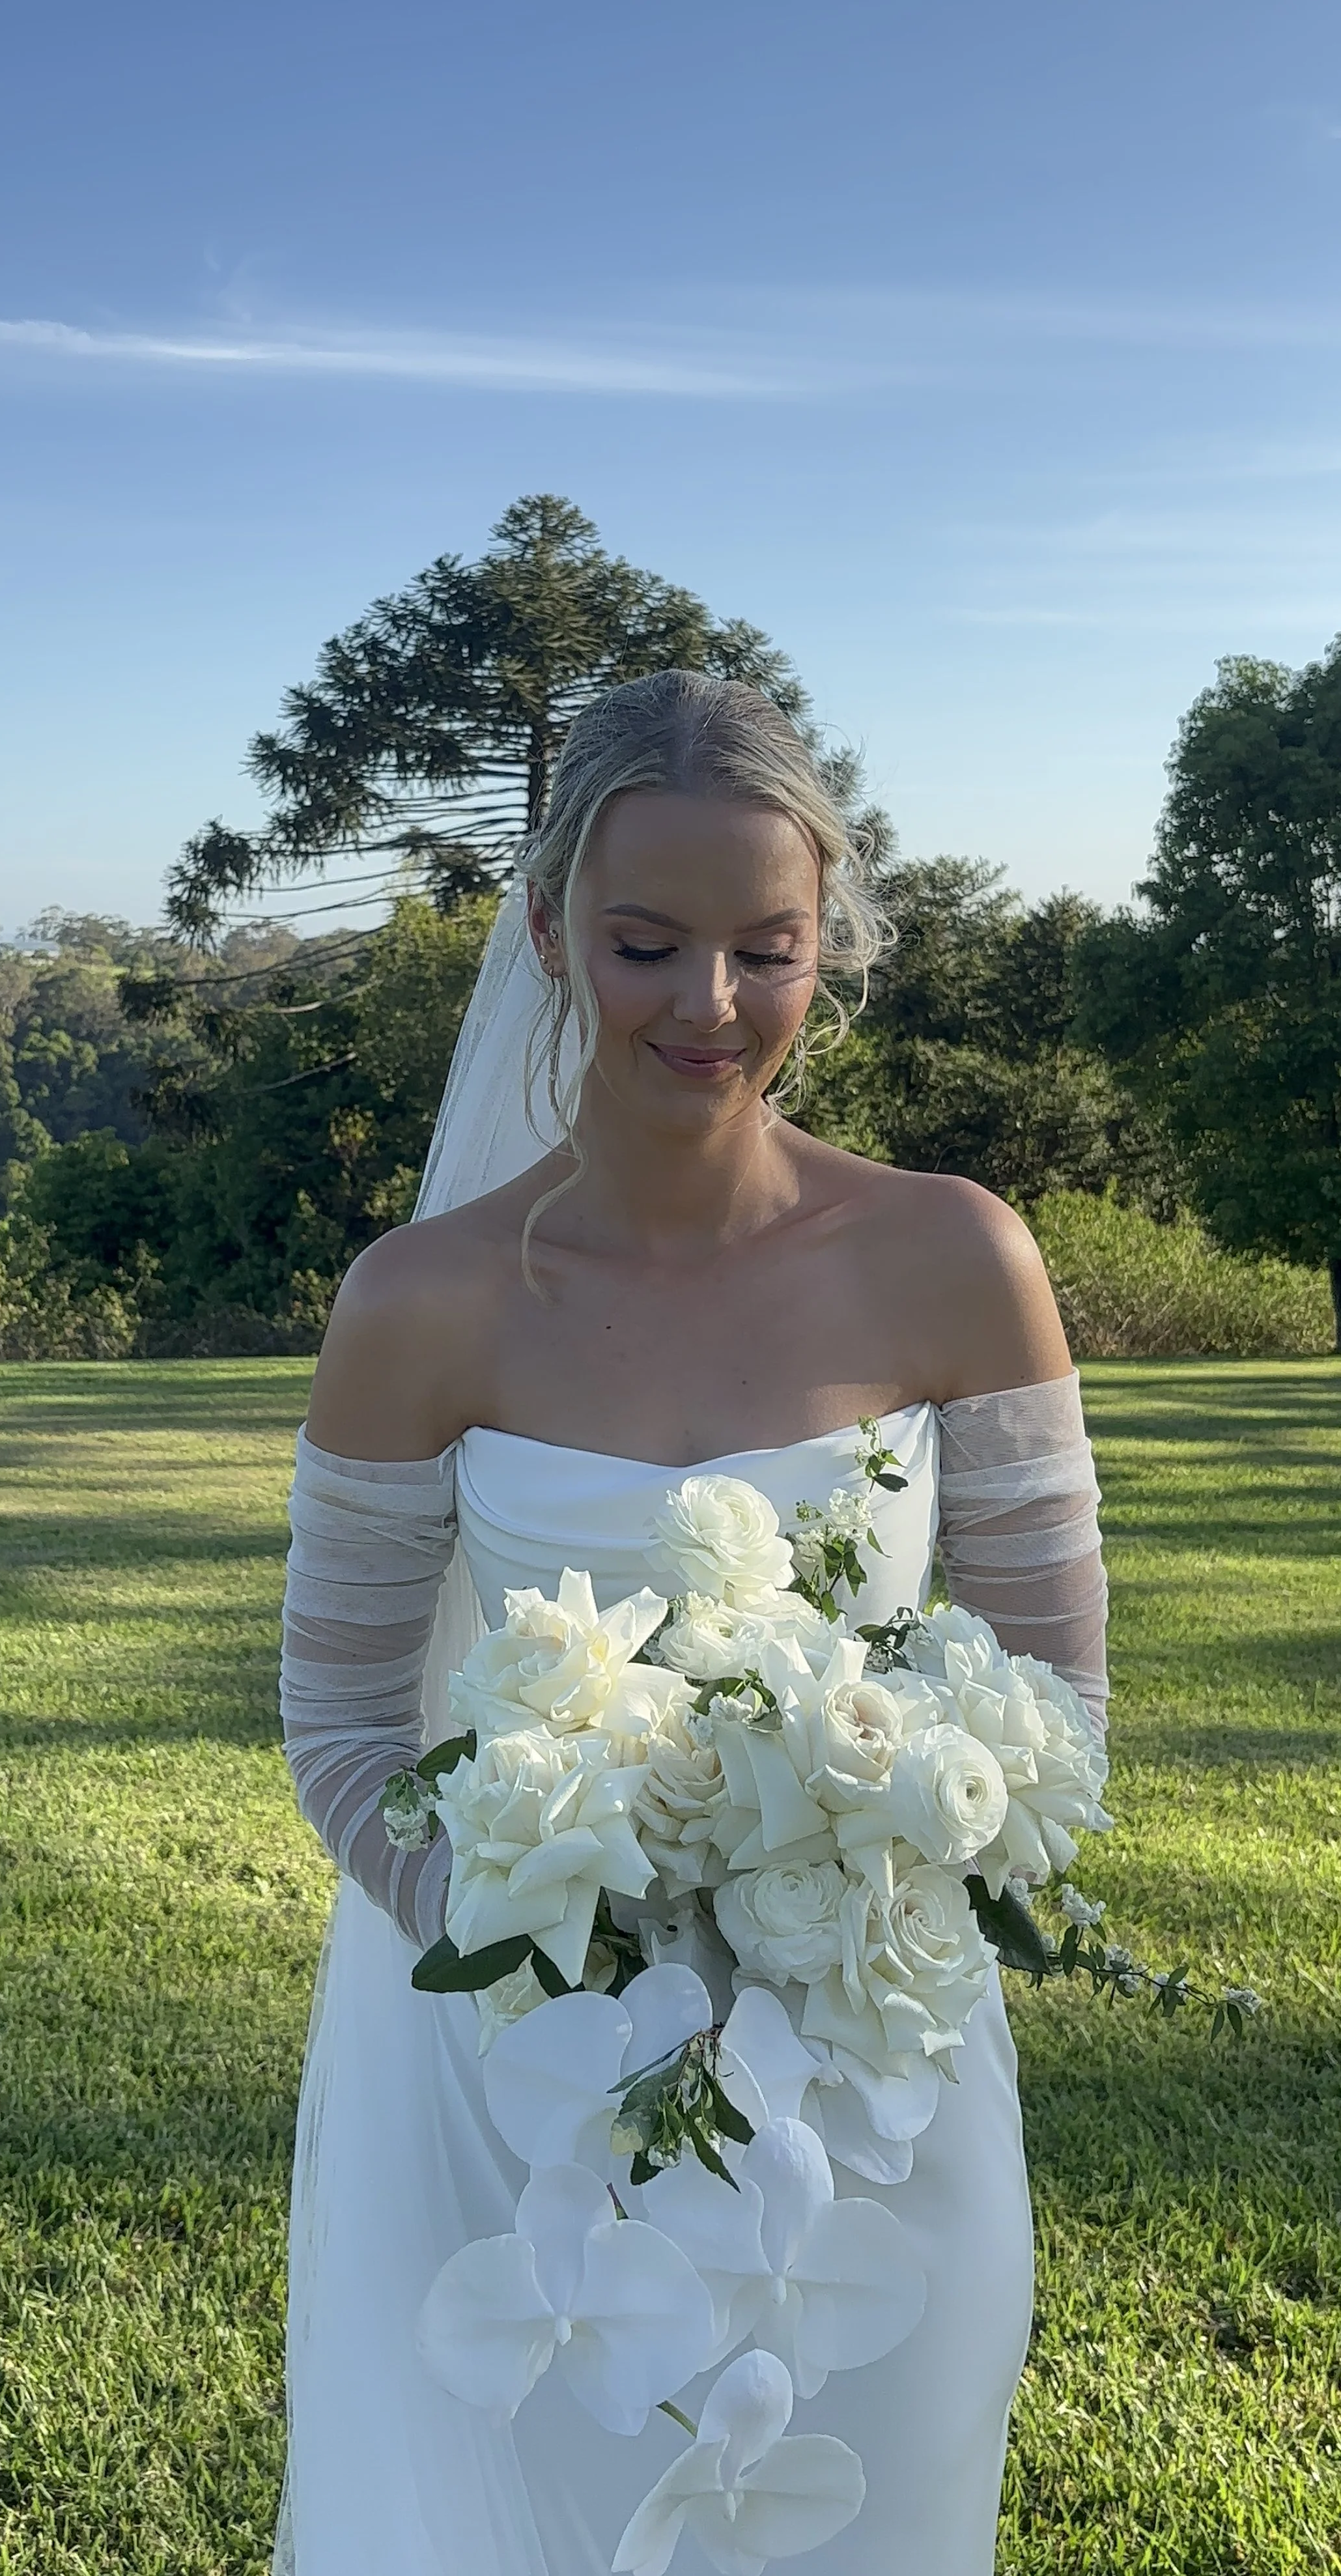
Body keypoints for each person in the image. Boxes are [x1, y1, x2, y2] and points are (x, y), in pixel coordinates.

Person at [275, 670, 1108, 2576]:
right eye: (648, 942)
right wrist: (577, 1939)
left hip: (875, 2077)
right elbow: (336, 1718)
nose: (708, 1003)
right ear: (554, 928)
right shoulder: (423, 1301)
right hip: (521, 2082)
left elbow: (1053, 1688)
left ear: (827, 941)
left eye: (766, 946)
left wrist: (865, 1878)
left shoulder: (956, 1255)